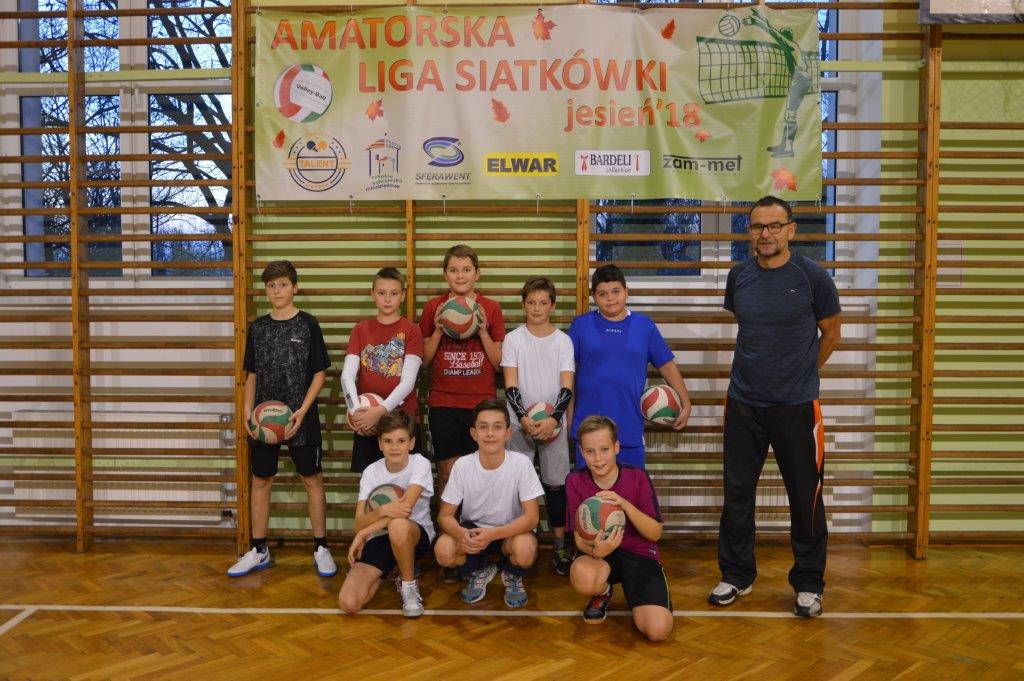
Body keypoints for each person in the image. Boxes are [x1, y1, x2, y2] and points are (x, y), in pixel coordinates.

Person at [709, 195, 842, 618]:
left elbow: (832, 332)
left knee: (805, 498)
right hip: (744, 403)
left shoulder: (813, 277)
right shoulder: (739, 277)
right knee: (737, 496)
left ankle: (809, 583)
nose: (765, 233)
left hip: (797, 405)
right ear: (749, 232)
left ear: (791, 230)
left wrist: (802, 372)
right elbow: (752, 329)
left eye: (774, 225)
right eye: (757, 226)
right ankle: (737, 574)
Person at [229, 260, 335, 578]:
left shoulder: (308, 324)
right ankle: (259, 550)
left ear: (295, 288)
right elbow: (251, 375)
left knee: (312, 479)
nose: (277, 290)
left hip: (301, 418)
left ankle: (321, 548)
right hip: (264, 421)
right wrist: (247, 411)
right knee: (261, 481)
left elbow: (319, 374)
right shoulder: (258, 328)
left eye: (283, 284)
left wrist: (302, 409)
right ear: (266, 291)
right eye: (271, 286)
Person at [419, 244, 506, 582]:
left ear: (477, 273)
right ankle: (452, 542)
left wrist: (481, 329)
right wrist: (439, 329)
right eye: (454, 270)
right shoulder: (433, 307)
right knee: (448, 473)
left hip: (481, 404)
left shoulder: (491, 308)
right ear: (445, 274)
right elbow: (424, 360)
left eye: (466, 270)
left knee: (482, 475)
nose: (460, 276)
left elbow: (498, 363)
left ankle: (481, 545)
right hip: (444, 402)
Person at [568, 264, 692, 468]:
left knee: (632, 488)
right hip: (588, 431)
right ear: (594, 297)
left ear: (626, 291)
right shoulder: (581, 325)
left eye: (616, 291)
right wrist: (569, 420)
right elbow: (567, 375)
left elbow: (668, 366)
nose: (610, 298)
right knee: (590, 489)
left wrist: (686, 404)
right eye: (603, 294)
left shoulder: (644, 326)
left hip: (629, 428)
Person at [567, 416, 673, 642]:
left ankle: (639, 593)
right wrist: (596, 551)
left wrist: (624, 504)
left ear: (616, 447)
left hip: (640, 554)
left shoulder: (637, 477)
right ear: (582, 452)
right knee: (583, 576)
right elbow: (578, 537)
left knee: (658, 631)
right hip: (602, 555)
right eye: (590, 451)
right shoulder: (575, 480)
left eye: (604, 449)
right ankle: (603, 592)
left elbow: (655, 533)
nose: (598, 458)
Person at [433, 399, 544, 608]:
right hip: (474, 532)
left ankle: (512, 574)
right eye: (483, 427)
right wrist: (461, 534)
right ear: (474, 433)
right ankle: (480, 570)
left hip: (510, 532)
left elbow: (532, 518)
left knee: (525, 550)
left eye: (497, 427)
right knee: (444, 551)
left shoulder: (521, 464)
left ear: (508, 433)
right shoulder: (462, 465)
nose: (490, 434)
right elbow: (444, 516)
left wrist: (493, 534)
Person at [501, 276, 575, 576]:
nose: (536, 308)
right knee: (517, 485)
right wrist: (523, 418)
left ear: (552, 306)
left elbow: (567, 387)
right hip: (519, 424)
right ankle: (520, 541)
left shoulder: (563, 341)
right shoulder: (513, 339)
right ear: (523, 305)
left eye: (543, 303)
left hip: (553, 425)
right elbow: (510, 385)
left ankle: (559, 545)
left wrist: (553, 420)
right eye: (531, 302)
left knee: (555, 486)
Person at [338, 411, 434, 618]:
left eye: (401, 441)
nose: (394, 447)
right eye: (388, 441)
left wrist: (364, 533)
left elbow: (405, 510)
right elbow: (358, 523)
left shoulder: (420, 464)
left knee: (398, 524)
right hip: (381, 538)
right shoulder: (371, 472)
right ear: (380, 444)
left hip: (415, 536)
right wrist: (381, 511)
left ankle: (408, 586)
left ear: (411, 443)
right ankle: (390, 568)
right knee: (349, 603)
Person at [342, 267, 424, 474]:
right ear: (372, 294)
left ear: (403, 295)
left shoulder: (412, 330)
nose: (387, 299)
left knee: (406, 482)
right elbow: (347, 376)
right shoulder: (360, 330)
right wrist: (356, 413)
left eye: (394, 293)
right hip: (367, 421)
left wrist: (380, 411)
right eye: (381, 293)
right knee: (370, 482)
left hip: (401, 420)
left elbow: (408, 381)